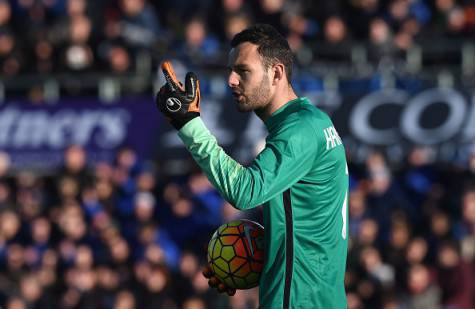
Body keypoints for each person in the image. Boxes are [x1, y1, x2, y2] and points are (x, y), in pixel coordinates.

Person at [155, 24, 348, 308]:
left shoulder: (300, 130)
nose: (231, 80)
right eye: (231, 70)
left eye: (243, 70)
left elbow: (245, 192)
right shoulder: (313, 121)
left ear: (277, 73)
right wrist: (241, 261)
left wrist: (189, 125)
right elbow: (307, 224)